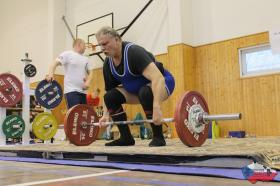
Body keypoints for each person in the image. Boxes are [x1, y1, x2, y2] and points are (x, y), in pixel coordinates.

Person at [96, 26, 175, 147]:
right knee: (110, 97)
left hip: (163, 82)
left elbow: (157, 78)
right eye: (100, 45)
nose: (102, 48)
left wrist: (157, 107)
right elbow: (109, 91)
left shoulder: (133, 52)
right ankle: (126, 137)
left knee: (145, 92)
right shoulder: (108, 64)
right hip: (137, 90)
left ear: (117, 39)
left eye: (105, 43)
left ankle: (158, 136)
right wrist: (105, 115)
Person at [46, 38, 94, 109]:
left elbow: (91, 72)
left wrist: (88, 82)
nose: (85, 47)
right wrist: (50, 74)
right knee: (74, 116)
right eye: (84, 45)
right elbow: (54, 63)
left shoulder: (86, 59)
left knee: (83, 117)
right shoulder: (68, 54)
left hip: (83, 92)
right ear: (79, 44)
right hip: (71, 91)